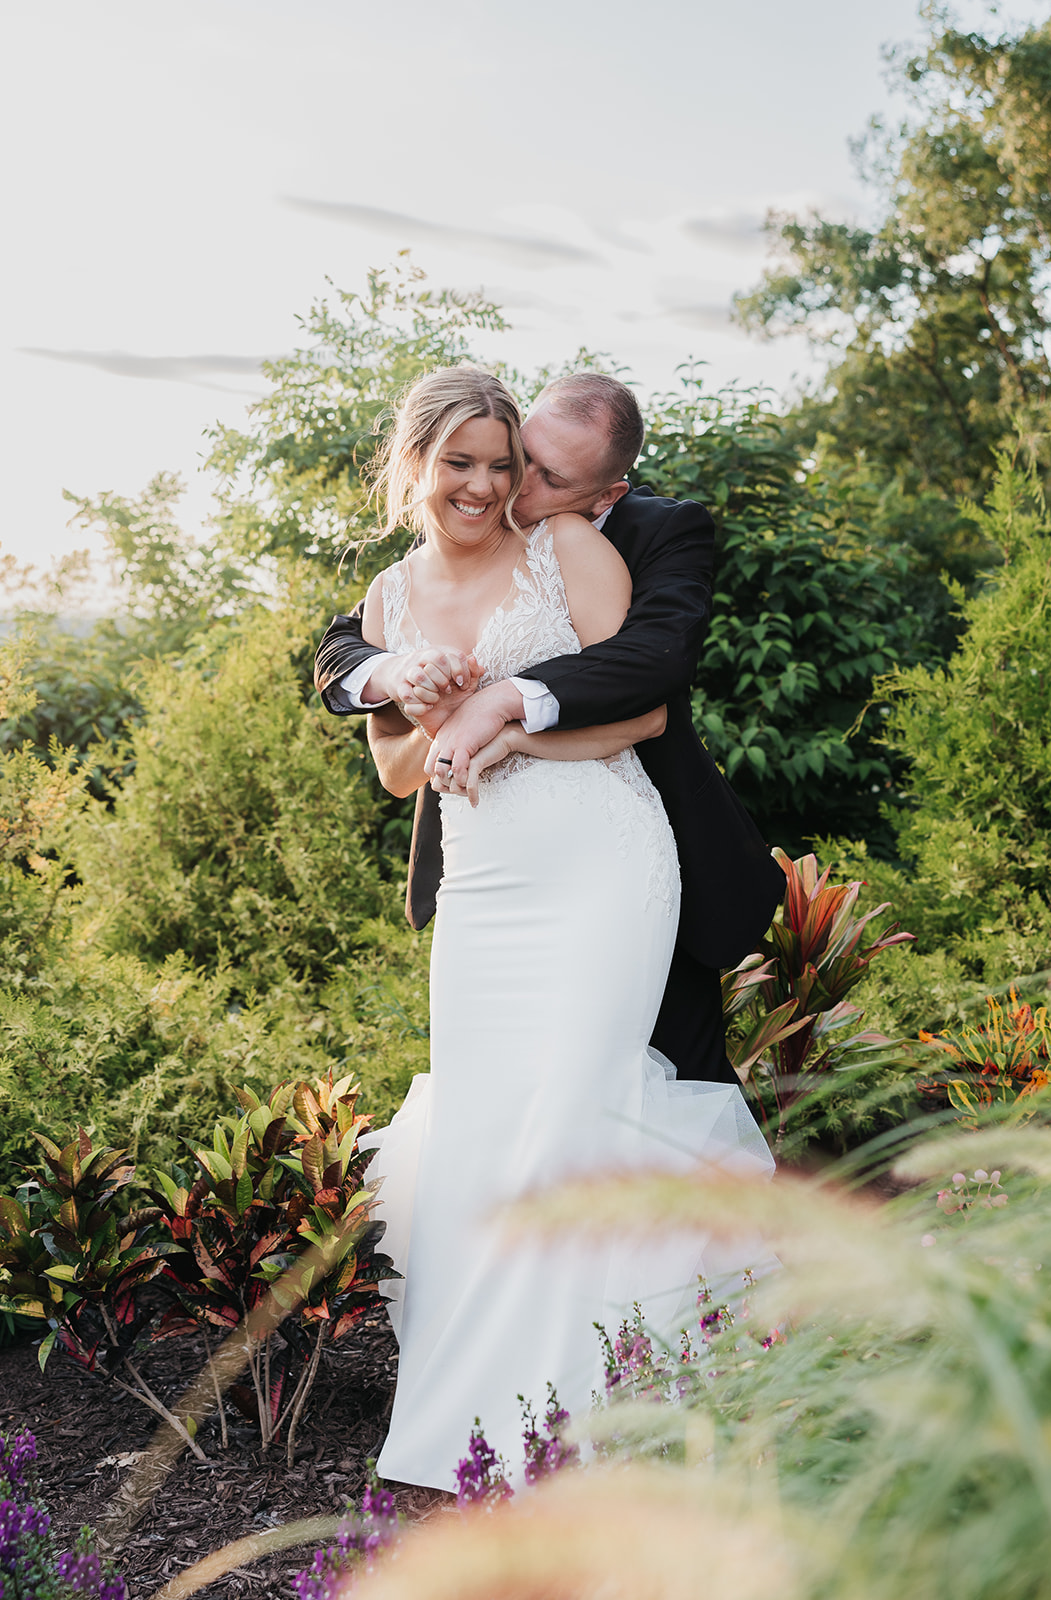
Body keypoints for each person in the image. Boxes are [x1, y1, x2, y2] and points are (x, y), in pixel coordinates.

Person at [332, 365, 775, 1494]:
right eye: (470, 463)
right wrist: (420, 701)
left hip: (598, 866)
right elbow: (395, 772)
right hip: (480, 893)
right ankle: (468, 1417)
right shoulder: (383, 601)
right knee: (483, 1128)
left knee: (578, 1112)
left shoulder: (574, 547)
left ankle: (600, 1413)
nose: (497, 485)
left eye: (510, 466)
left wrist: (505, 724)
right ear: (417, 463)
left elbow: (642, 707)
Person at [316, 371, 786, 1085]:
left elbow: (649, 672)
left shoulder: (627, 536)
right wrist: (413, 695)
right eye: (513, 455)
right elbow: (371, 712)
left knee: (651, 1085)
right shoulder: (396, 584)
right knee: (494, 1093)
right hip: (484, 873)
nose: (505, 484)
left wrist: (499, 710)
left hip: (615, 849)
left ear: (605, 495)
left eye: (530, 471)